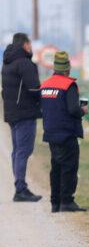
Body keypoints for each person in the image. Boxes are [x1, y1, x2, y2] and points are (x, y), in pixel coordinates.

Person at [40, 51, 87, 212]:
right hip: (66, 133)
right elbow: (73, 109)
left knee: (56, 167)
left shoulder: (45, 85)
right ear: (67, 68)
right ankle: (67, 201)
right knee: (69, 167)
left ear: (54, 67)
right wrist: (82, 110)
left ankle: (55, 202)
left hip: (51, 132)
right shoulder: (68, 85)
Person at [1, 32, 42, 202]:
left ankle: (19, 186)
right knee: (24, 150)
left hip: (12, 113)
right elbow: (34, 88)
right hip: (25, 113)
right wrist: (43, 101)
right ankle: (20, 189)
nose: (31, 47)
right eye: (30, 44)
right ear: (25, 45)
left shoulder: (7, 64)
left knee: (18, 150)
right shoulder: (25, 63)